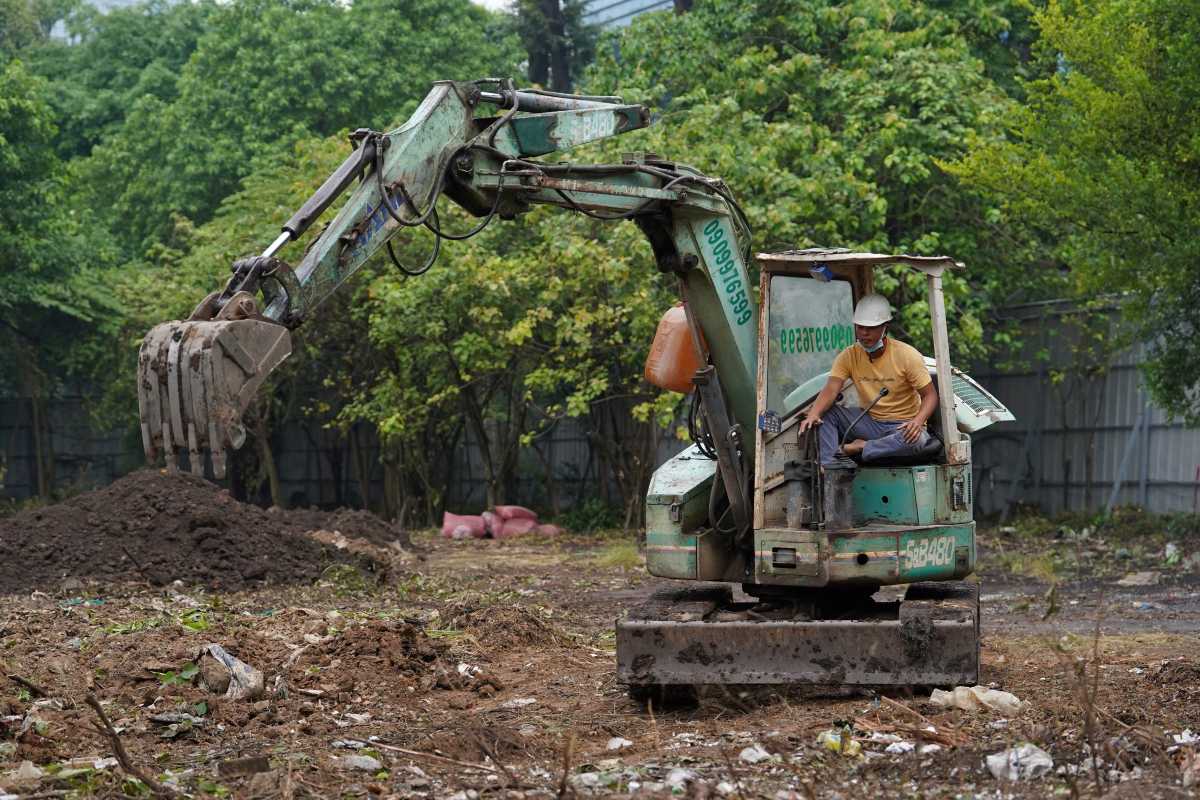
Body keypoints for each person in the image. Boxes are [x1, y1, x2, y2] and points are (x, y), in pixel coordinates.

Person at [797, 293, 938, 466]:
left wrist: (917, 421)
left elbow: (930, 395)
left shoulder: (907, 355)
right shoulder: (849, 355)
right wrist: (813, 414)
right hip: (870, 422)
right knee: (826, 413)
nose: (864, 333)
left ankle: (861, 447)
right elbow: (831, 389)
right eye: (860, 327)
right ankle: (830, 467)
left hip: (902, 426)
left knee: (917, 441)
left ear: (885, 327)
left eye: (871, 328)